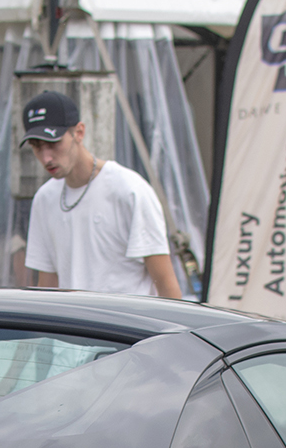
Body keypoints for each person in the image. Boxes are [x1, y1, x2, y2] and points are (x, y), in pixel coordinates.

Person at [19, 90, 182, 299]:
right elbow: (47, 287)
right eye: (36, 147)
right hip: (71, 329)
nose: (46, 157)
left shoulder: (129, 190)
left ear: (79, 132)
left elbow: (167, 285)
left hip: (127, 328)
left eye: (53, 143)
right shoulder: (44, 198)